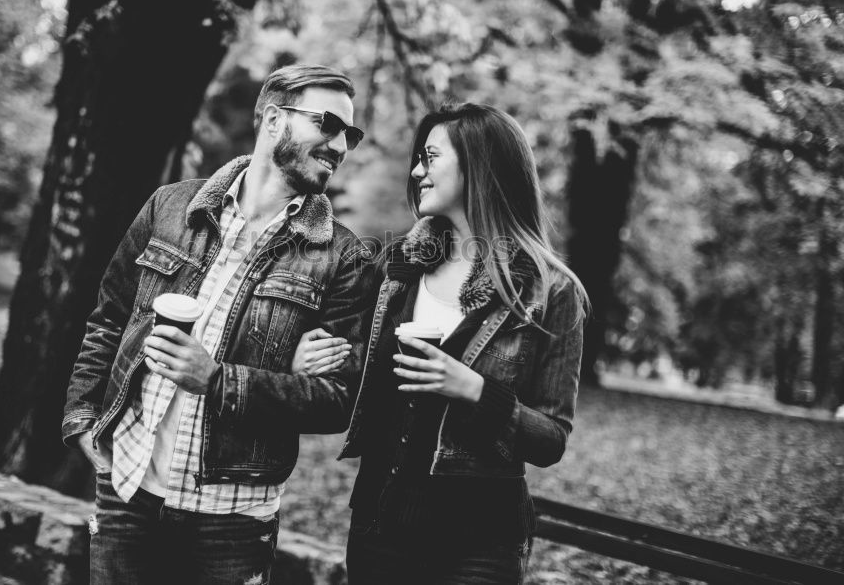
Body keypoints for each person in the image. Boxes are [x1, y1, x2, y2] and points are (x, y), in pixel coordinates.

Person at [62, 64, 376, 585]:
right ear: (274, 119)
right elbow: (110, 317)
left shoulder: (343, 257)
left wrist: (218, 379)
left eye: (350, 133)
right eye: (327, 123)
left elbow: (337, 401)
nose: (340, 144)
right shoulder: (169, 207)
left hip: (231, 520)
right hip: (126, 490)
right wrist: (80, 414)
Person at [294, 102, 589, 584]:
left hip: (481, 540)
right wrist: (309, 356)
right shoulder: (394, 271)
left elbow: (551, 440)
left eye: (430, 157)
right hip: (380, 522)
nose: (417, 171)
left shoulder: (551, 291)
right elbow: (347, 369)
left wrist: (475, 390)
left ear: (479, 164)